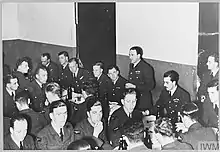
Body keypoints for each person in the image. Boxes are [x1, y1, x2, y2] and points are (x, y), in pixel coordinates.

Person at [126, 46, 156, 111]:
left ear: (138, 55)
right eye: (129, 55)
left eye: (132, 55)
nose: (130, 57)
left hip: (143, 101)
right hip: (133, 99)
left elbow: (151, 86)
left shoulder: (146, 67)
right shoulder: (132, 65)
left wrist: (135, 86)